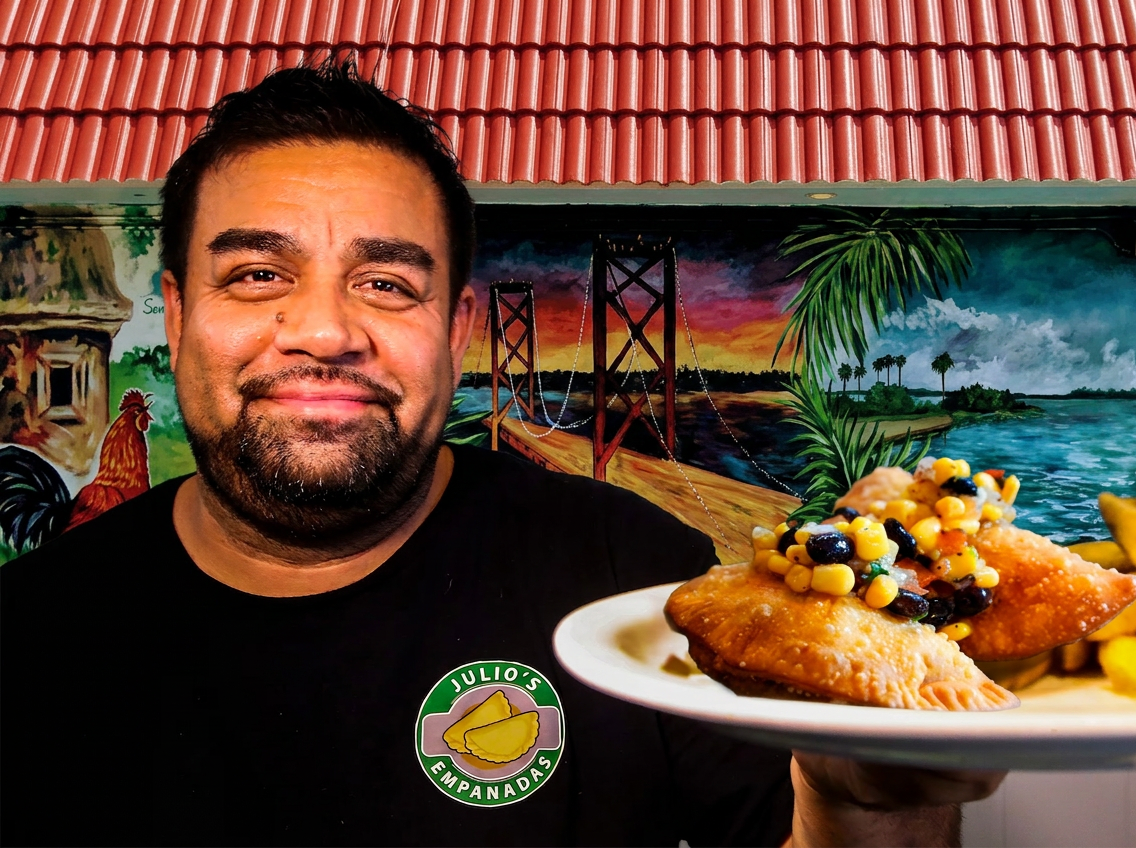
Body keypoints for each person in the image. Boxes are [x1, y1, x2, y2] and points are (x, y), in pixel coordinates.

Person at [0, 60, 1002, 846]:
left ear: (457, 329)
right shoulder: (28, 636)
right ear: (176, 316)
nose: (323, 329)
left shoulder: (641, 584)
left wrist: (872, 803)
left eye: (387, 284)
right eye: (258, 273)